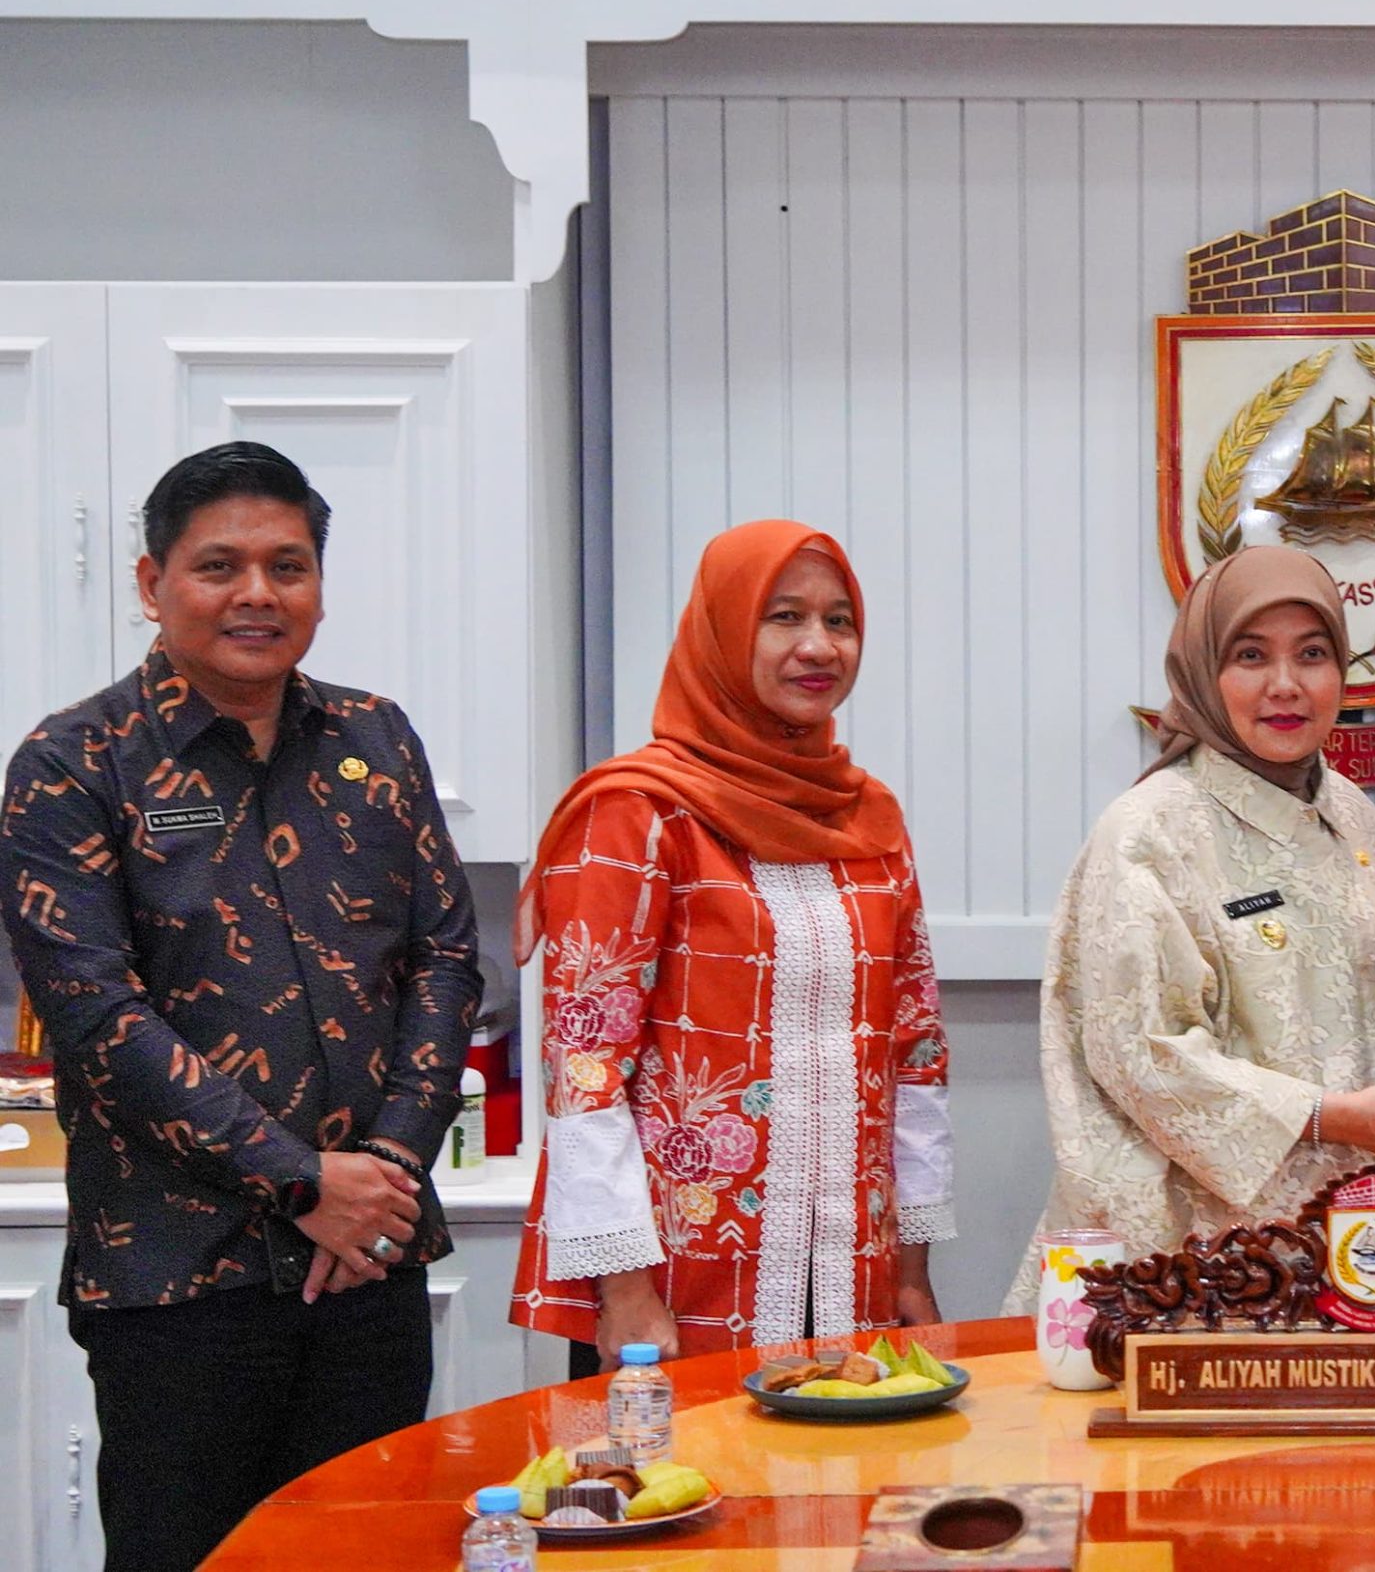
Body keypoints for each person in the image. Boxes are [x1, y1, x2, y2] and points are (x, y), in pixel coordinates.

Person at [2, 441, 479, 1572]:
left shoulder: (375, 738)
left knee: (375, 1559)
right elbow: (98, 1017)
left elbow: (447, 958)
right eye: (219, 565)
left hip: (372, 1263)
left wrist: (385, 1173)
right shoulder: (73, 763)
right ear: (151, 581)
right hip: (180, 1278)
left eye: (288, 565)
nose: (258, 593)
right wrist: (306, 1182)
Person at [511, 520, 951, 1369]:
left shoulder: (868, 821)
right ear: (721, 632)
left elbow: (916, 1052)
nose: (819, 646)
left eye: (840, 620)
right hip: (674, 1287)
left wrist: (910, 1267)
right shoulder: (639, 812)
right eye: (783, 617)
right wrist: (625, 1292)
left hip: (850, 1271)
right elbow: (586, 1070)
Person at [1007, 545, 1375, 1308]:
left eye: (1313, 654)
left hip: (1366, 1236)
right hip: (1201, 1258)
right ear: (1203, 671)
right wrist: (1331, 1118)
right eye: (1251, 656)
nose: (1286, 685)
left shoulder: (1351, 812)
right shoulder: (1149, 830)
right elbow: (1143, 1055)